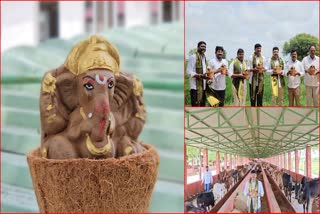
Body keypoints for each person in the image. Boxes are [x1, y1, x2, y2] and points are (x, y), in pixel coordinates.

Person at [186, 41, 208, 106]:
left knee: (202, 107)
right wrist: (199, 75)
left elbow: (204, 72)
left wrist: (207, 79)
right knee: (195, 108)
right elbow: (188, 72)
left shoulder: (204, 58)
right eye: (202, 46)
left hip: (203, 87)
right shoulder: (193, 57)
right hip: (195, 88)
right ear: (198, 47)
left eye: (205, 47)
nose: (203, 48)